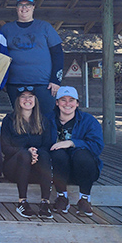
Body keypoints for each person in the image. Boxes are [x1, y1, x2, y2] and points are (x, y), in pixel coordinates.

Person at [1, 0, 63, 116]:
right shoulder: (6, 29)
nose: (24, 8)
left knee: (46, 119)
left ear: (33, 7)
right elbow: (0, 56)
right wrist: (2, 80)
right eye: (21, 5)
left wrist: (56, 80)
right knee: (20, 119)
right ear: (16, 8)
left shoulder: (44, 27)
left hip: (43, 84)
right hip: (15, 83)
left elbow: (58, 53)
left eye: (28, 5)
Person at [47, 86, 104, 217]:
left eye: (71, 100)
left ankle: (85, 199)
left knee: (82, 154)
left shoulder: (89, 121)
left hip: (83, 170)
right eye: (63, 100)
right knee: (58, 153)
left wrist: (72, 143)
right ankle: (62, 197)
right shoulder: (47, 119)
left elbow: (97, 146)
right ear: (57, 102)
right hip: (57, 169)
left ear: (77, 103)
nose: (67, 104)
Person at [0, 86, 54, 219]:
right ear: (18, 101)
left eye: (30, 96)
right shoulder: (9, 120)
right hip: (14, 168)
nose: (27, 99)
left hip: (36, 169)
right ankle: (22, 202)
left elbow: (47, 145)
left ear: (35, 100)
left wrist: (36, 153)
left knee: (45, 154)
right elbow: (4, 147)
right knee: (24, 154)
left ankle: (45, 202)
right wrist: (26, 152)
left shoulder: (43, 120)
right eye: (23, 96)